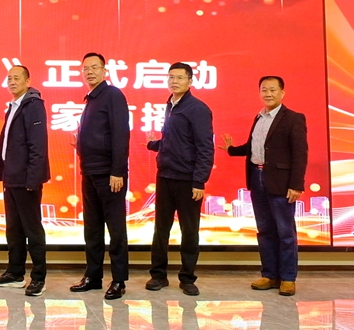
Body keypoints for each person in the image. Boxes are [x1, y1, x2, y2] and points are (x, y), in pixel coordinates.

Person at [219, 76, 307, 296]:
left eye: (272, 90)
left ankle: (288, 278)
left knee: (285, 232)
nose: (268, 94)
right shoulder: (259, 117)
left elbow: (300, 154)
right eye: (264, 90)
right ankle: (270, 275)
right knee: (265, 230)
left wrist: (296, 185)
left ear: (282, 92)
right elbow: (254, 147)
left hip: (281, 183)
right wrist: (231, 150)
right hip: (257, 179)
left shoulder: (293, 118)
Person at [145, 62, 214, 296]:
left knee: (189, 230)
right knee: (160, 229)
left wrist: (199, 181)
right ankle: (158, 275)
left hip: (188, 180)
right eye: (171, 77)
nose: (174, 81)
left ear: (190, 81)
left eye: (180, 78)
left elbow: (205, 147)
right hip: (165, 176)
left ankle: (187, 278)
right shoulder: (170, 105)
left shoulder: (198, 109)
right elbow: (174, 141)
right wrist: (153, 145)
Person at [69, 53, 130, 300]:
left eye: (95, 67)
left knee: (115, 229)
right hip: (90, 171)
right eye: (85, 68)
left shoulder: (112, 95)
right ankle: (93, 276)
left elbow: (120, 134)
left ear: (105, 71)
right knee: (92, 229)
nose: (90, 72)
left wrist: (117, 171)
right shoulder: (91, 99)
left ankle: (119, 280)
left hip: (108, 173)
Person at [0, 65, 50, 297]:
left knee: (32, 229)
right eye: (9, 78)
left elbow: (38, 145)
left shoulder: (33, 105)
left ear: (28, 81)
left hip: (26, 179)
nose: (12, 82)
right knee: (14, 228)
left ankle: (38, 278)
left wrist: (33, 179)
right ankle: (15, 273)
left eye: (17, 78)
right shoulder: (14, 106)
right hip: (11, 177)